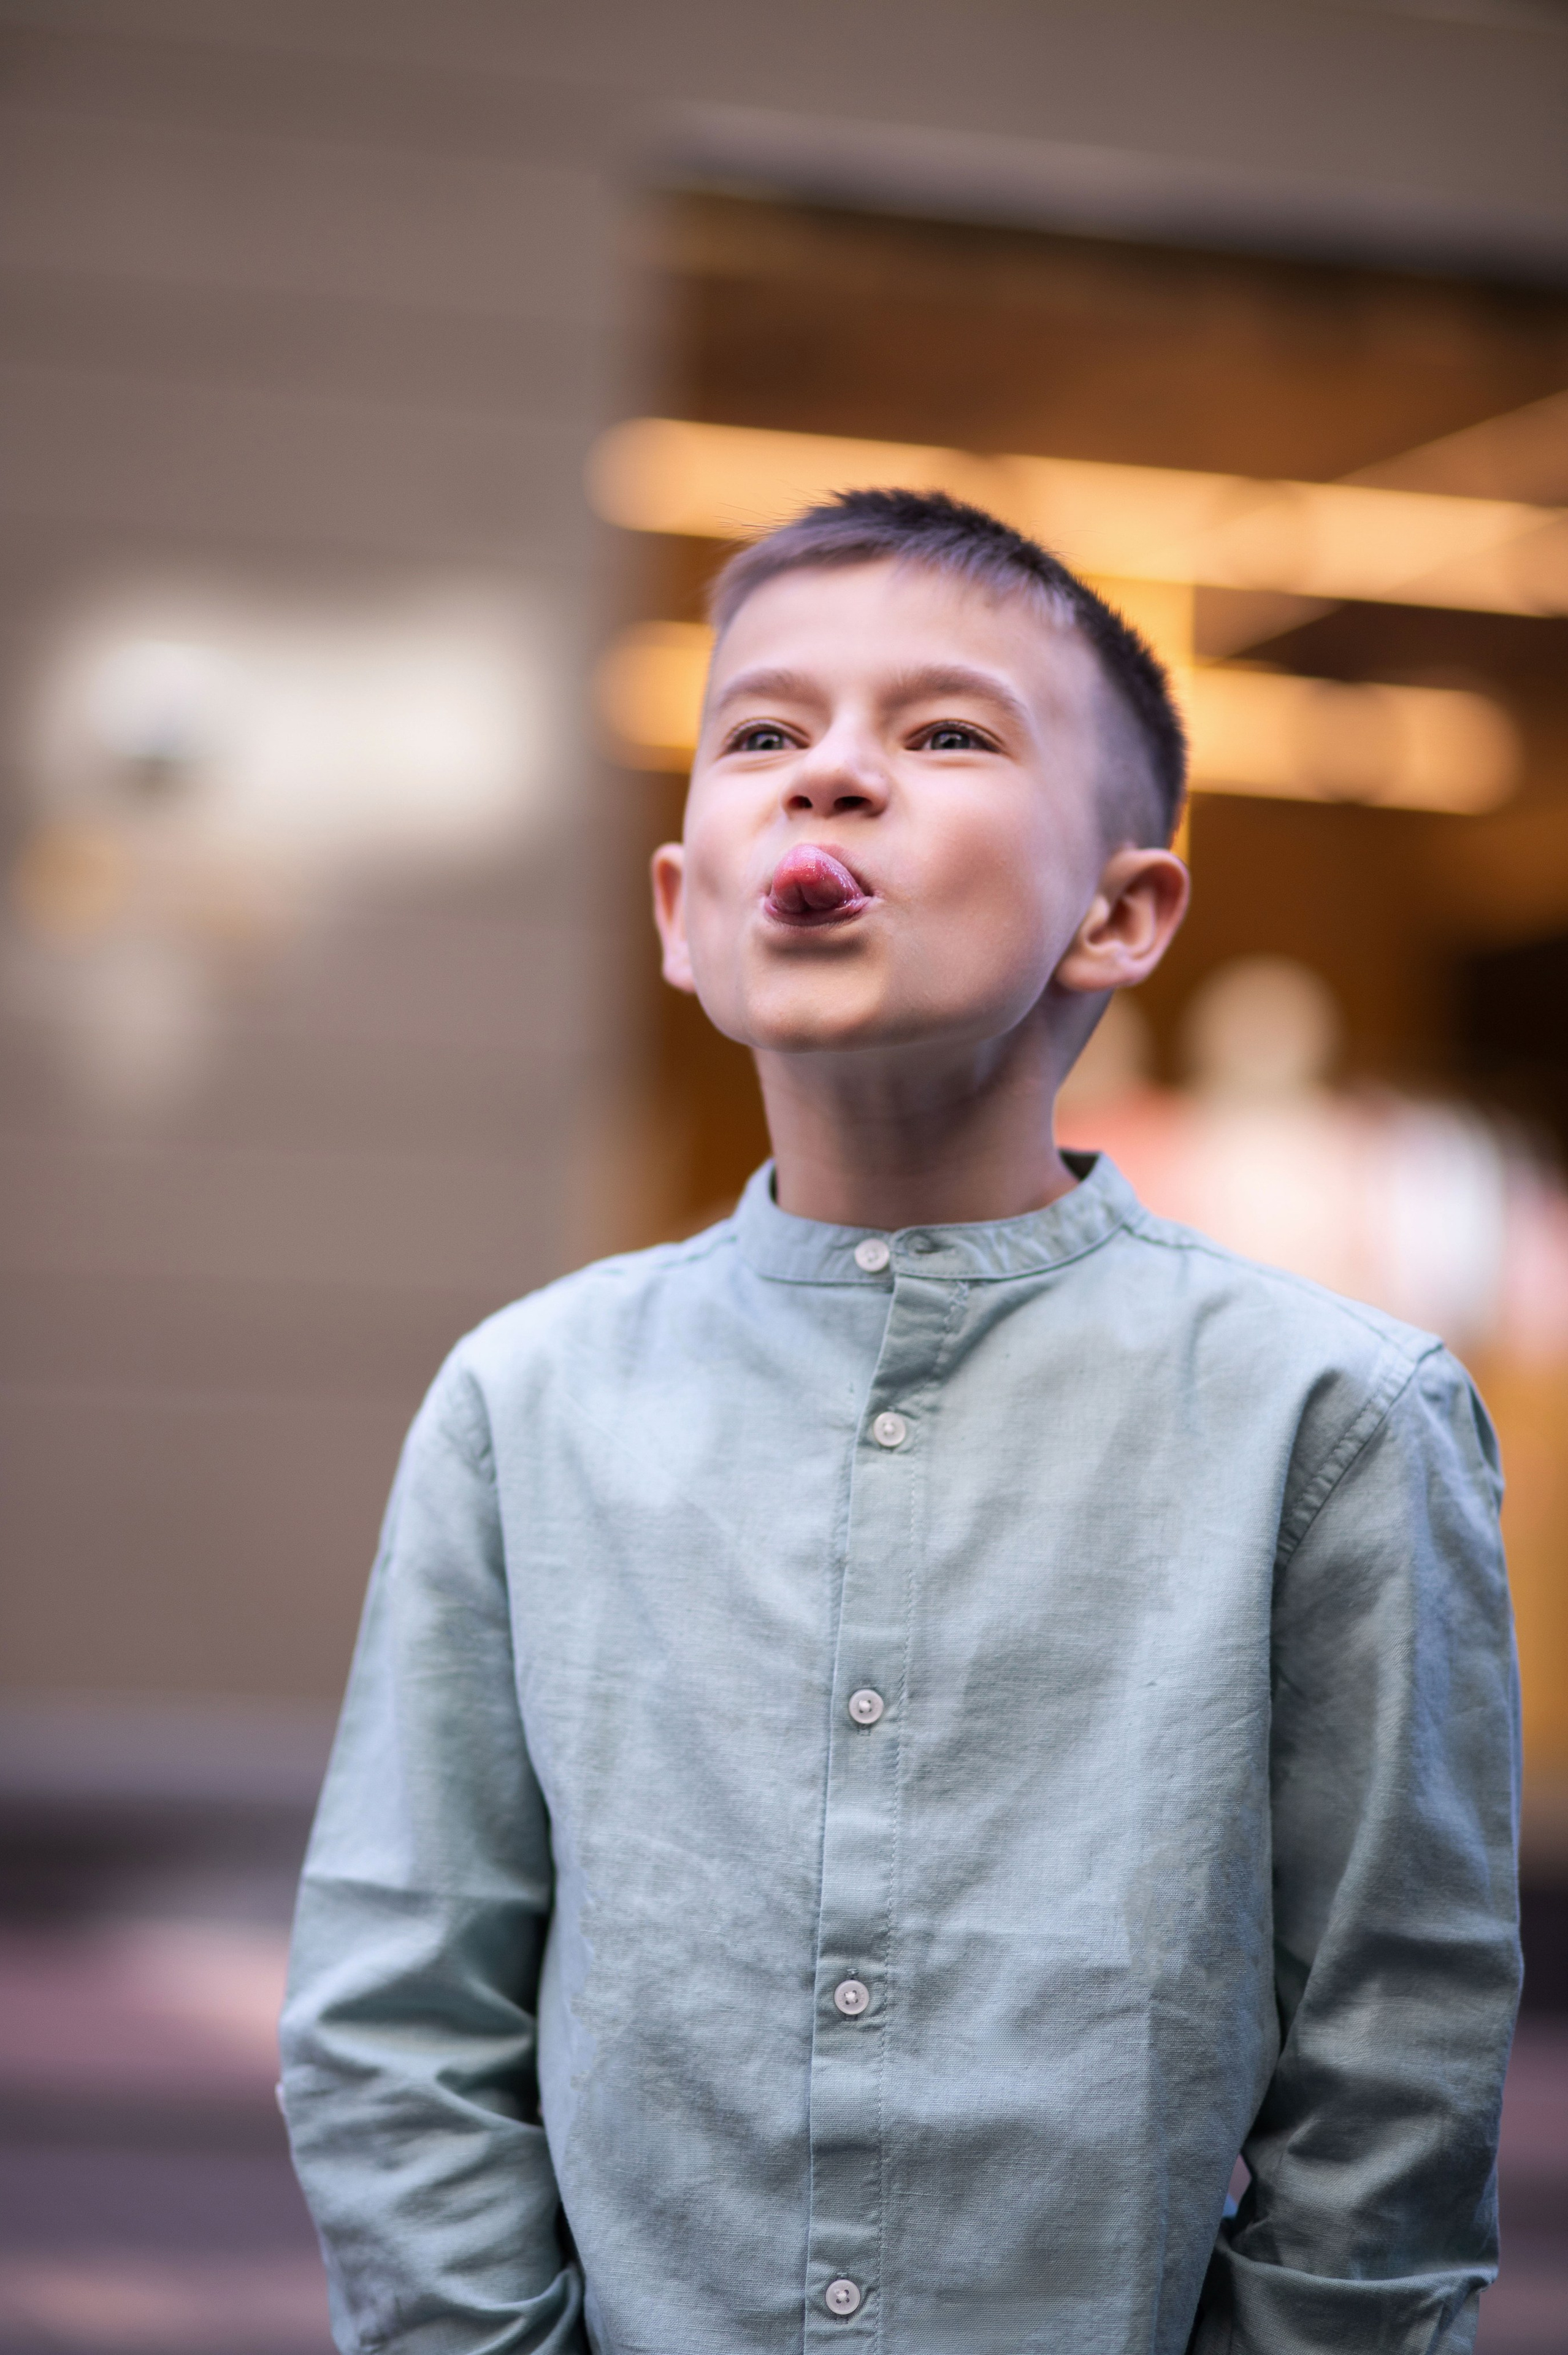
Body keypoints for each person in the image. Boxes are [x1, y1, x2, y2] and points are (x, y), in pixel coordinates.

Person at [280, 490, 1520, 2355]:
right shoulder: (525, 1402)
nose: (831, 774)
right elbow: (397, 2019)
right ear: (684, 912)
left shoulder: (1337, 1417)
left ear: (1120, 912)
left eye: (945, 734)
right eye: (761, 733)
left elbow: (1396, 2060)